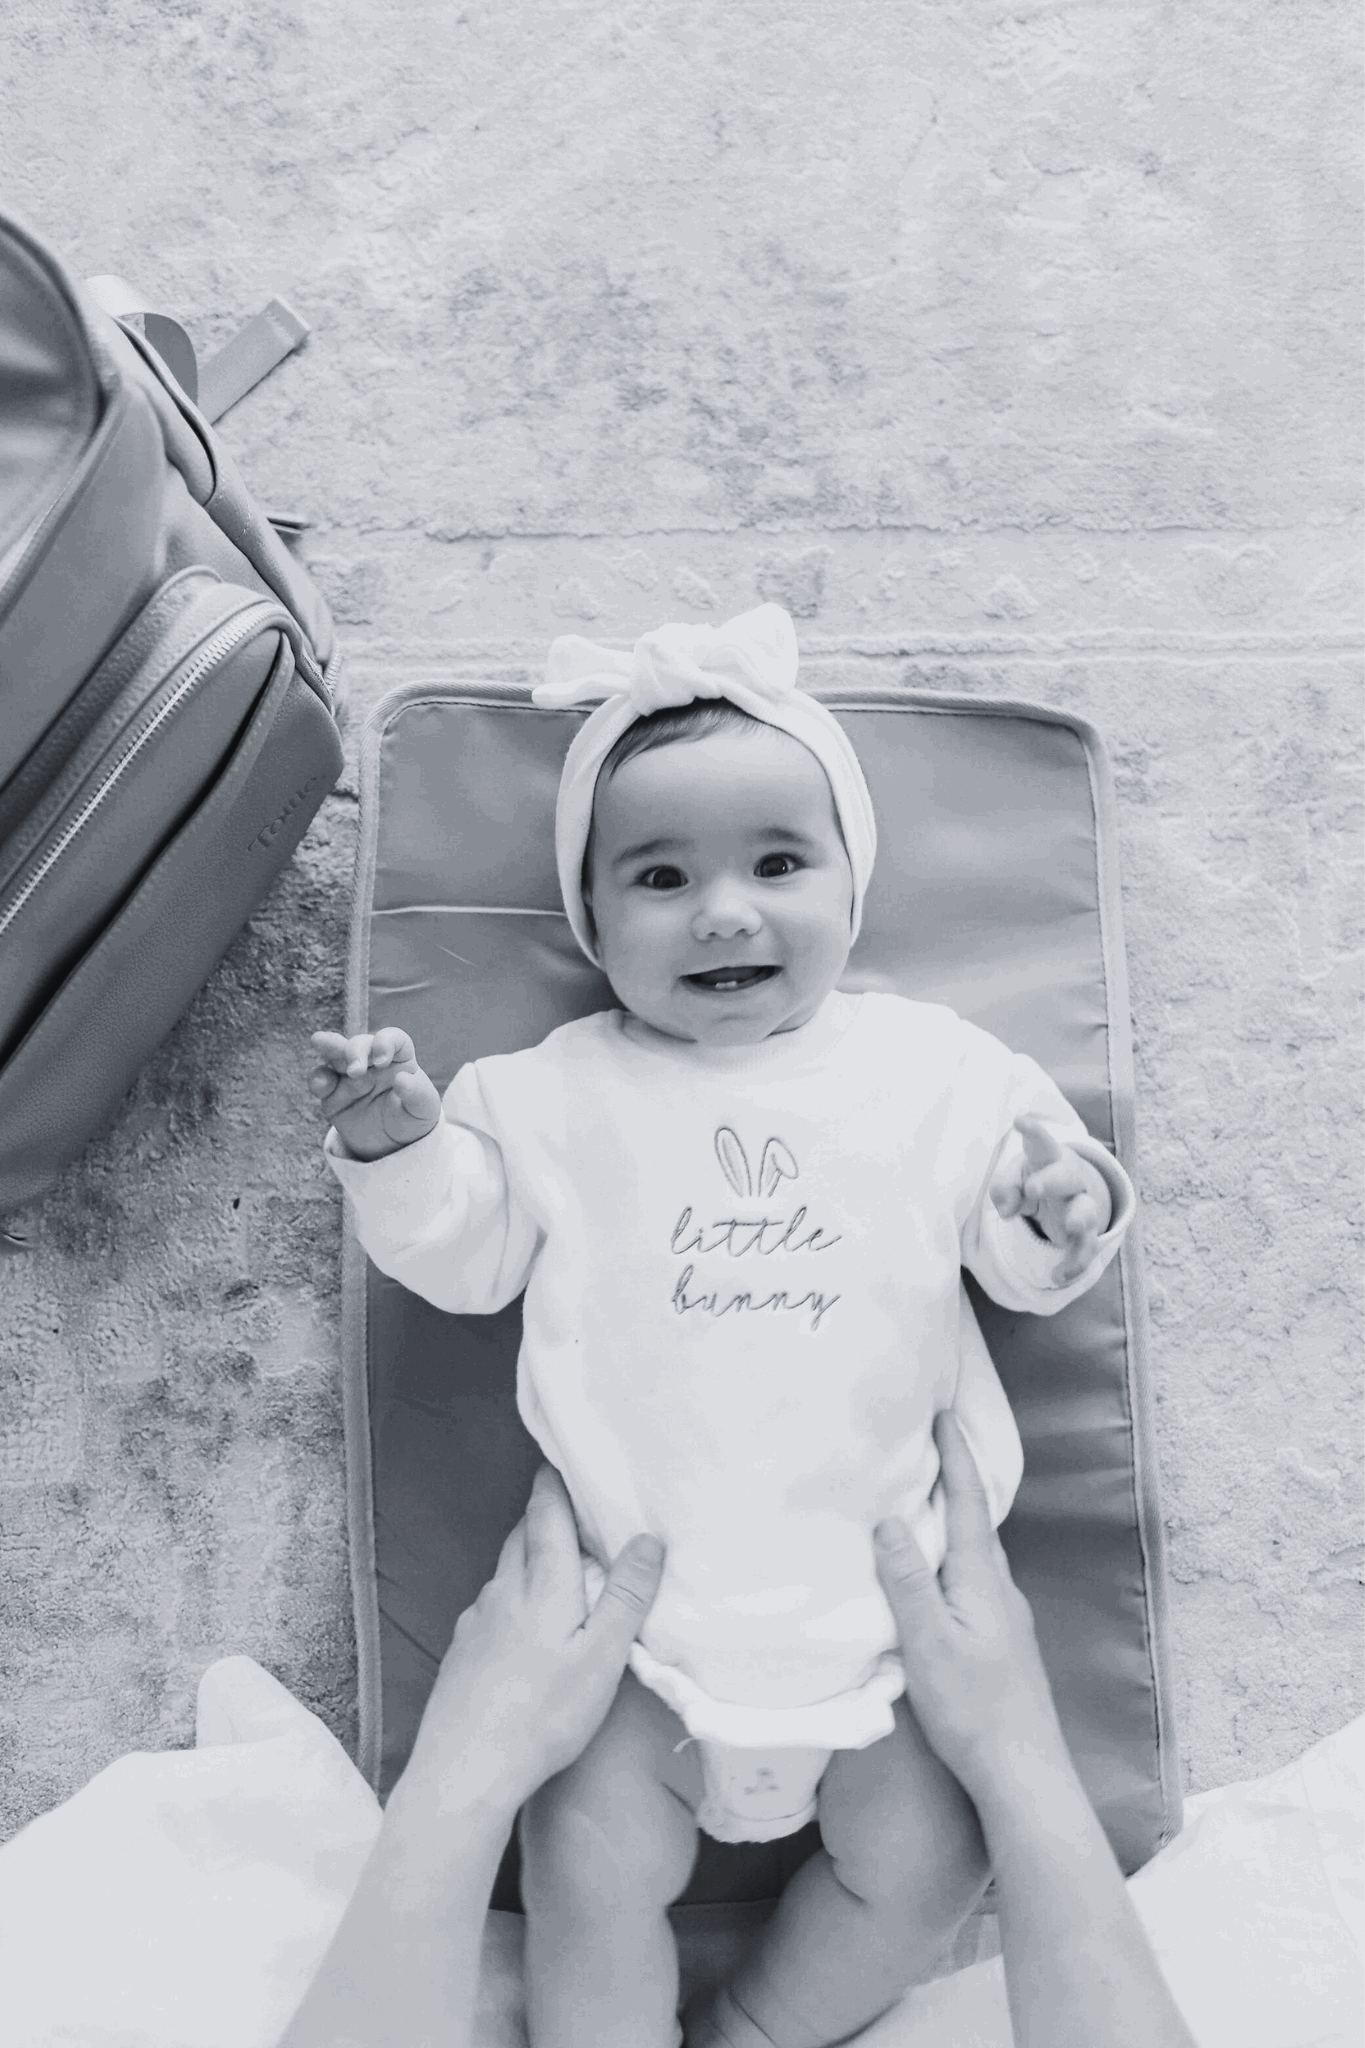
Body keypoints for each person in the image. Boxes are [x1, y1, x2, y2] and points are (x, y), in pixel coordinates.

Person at [308, 603, 1137, 2045]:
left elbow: (1023, 1243)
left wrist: (1062, 1211)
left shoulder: (936, 1073)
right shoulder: (551, 1093)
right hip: (633, 1645)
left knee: (932, 1864)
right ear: (591, 919)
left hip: (900, 1634)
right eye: (660, 877)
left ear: (850, 883)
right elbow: (459, 1253)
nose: (725, 911)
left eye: (777, 863)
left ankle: (755, 2032)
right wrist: (401, 1148)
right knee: (585, 1869)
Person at [277, 1418, 1196, 2048]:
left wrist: (464, 1768)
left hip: (647, 1658)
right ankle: (749, 2028)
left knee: (584, 1853)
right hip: (870, 1663)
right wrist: (1013, 1751)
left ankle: (736, 2027)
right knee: (945, 1845)